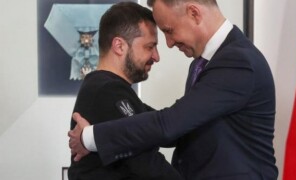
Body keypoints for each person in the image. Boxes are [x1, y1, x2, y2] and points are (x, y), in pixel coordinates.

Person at [69, 0, 279, 179]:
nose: (168, 44)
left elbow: (171, 124)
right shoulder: (203, 64)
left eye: (169, 31)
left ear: (194, 13)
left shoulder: (237, 61)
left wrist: (89, 137)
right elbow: (182, 129)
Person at [67, 2, 183, 180]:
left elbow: (164, 129)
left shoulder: (110, 90)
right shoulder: (107, 92)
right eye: (149, 46)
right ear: (119, 46)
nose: (156, 57)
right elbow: (148, 165)